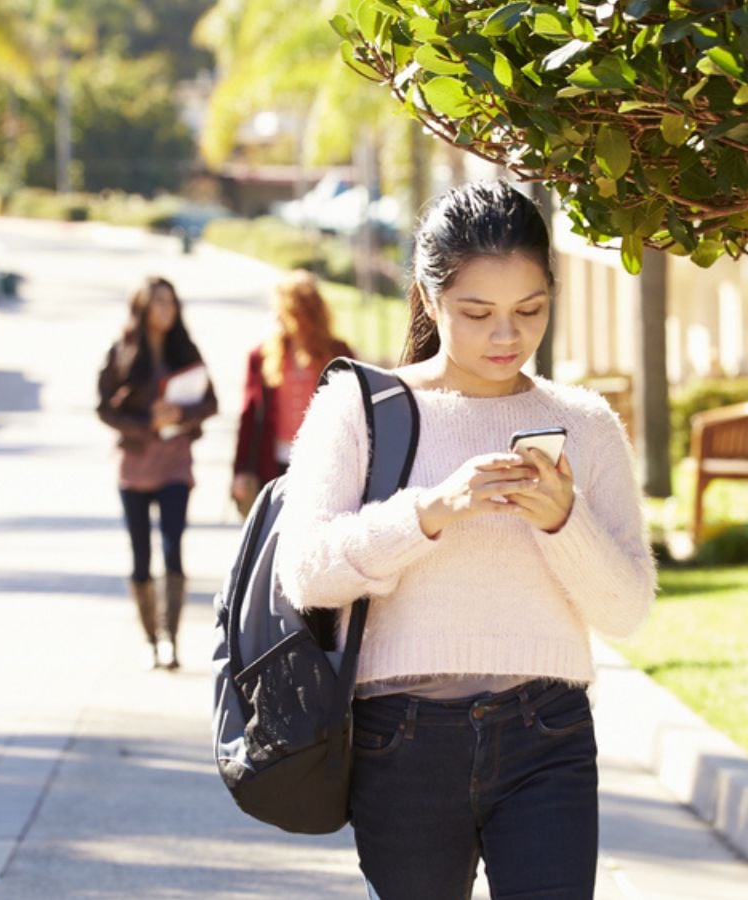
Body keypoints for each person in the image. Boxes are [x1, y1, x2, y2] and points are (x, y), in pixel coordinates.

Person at [274, 181, 655, 899]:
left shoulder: (587, 422)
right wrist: (433, 511)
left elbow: (627, 610)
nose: (506, 336)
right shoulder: (358, 408)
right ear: (427, 294)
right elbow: (307, 572)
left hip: (548, 733)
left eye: (530, 310)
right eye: (478, 313)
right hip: (401, 741)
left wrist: (560, 522)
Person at [96, 276, 218, 670]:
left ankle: (171, 639)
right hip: (134, 467)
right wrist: (146, 421)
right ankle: (149, 637)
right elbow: (104, 408)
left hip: (175, 466)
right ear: (143, 308)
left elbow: (211, 401)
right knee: (140, 557)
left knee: (173, 550)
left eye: (172, 302)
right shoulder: (123, 352)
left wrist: (181, 414)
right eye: (159, 302)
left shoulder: (186, 351)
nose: (167, 309)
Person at [231, 270, 353, 516]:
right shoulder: (262, 356)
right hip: (272, 462)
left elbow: (356, 410)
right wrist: (241, 470)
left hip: (324, 461)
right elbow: (249, 414)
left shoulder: (338, 353)